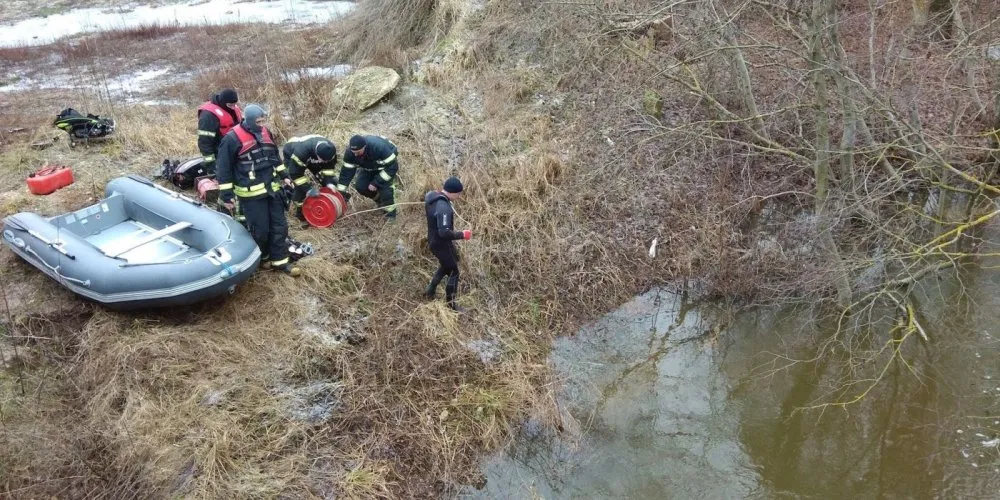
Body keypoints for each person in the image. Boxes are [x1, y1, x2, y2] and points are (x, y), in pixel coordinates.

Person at [216, 104, 300, 277]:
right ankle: (261, 259)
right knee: (260, 230)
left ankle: (280, 262)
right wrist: (226, 195)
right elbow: (223, 169)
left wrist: (284, 175)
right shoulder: (231, 139)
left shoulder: (265, 133)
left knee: (279, 226)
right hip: (251, 196)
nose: (262, 124)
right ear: (248, 120)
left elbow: (275, 157)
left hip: (272, 190)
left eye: (263, 121)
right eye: (259, 121)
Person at [424, 176, 472, 311]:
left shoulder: (432, 196)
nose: (459, 196)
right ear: (453, 192)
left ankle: (429, 290)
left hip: (433, 241)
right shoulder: (444, 207)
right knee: (453, 271)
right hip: (441, 243)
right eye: (458, 194)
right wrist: (463, 234)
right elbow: (444, 232)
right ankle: (451, 305)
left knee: (449, 263)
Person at [336, 134, 400, 219]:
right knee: (361, 186)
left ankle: (390, 217)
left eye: (358, 152)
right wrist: (340, 192)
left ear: (365, 147)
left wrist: (376, 182)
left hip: (386, 168)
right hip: (369, 168)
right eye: (353, 152)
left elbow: (393, 166)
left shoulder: (378, 147)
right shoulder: (350, 153)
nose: (355, 155)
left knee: (386, 192)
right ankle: (380, 201)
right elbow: (346, 173)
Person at [282, 135, 338, 222]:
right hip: (292, 151)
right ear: (317, 154)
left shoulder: (330, 150)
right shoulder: (301, 152)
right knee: (299, 187)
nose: (324, 162)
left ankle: (329, 205)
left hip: (311, 154)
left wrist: (329, 183)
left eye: (327, 161)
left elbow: (328, 169)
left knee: (325, 178)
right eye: (323, 160)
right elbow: (295, 174)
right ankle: (301, 213)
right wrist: (308, 189)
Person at [196, 88, 242, 173]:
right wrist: (212, 166)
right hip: (219, 153)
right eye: (230, 105)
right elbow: (205, 143)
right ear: (223, 102)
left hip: (234, 150)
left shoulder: (233, 108)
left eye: (234, 105)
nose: (233, 107)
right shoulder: (208, 116)